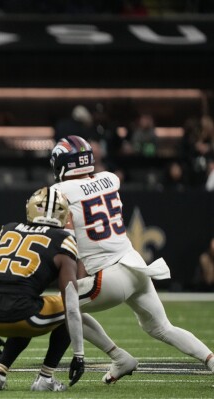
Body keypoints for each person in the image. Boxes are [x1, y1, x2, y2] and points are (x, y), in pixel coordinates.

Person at [50, 135, 214, 383]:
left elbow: (64, 232)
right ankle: (211, 359)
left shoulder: (58, 191)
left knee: (59, 308)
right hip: (136, 266)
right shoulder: (109, 179)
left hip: (109, 276)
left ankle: (119, 357)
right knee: (161, 328)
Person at [0, 186, 85, 392]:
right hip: (23, 315)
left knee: (28, 304)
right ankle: (45, 377)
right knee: (64, 309)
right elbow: (71, 305)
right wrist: (79, 355)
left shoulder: (8, 229)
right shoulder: (64, 240)